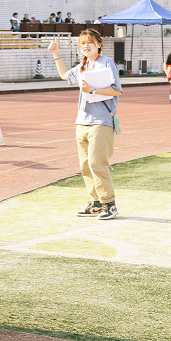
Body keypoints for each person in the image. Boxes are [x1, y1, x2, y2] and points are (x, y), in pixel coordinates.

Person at [48, 29, 123, 220]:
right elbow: (64, 75)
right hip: (82, 121)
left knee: (97, 163)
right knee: (85, 165)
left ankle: (109, 204)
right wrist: (56, 54)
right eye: (82, 43)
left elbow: (116, 90)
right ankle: (96, 203)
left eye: (90, 42)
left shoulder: (106, 63)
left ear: (99, 44)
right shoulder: (82, 66)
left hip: (101, 121)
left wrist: (93, 90)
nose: (86, 46)